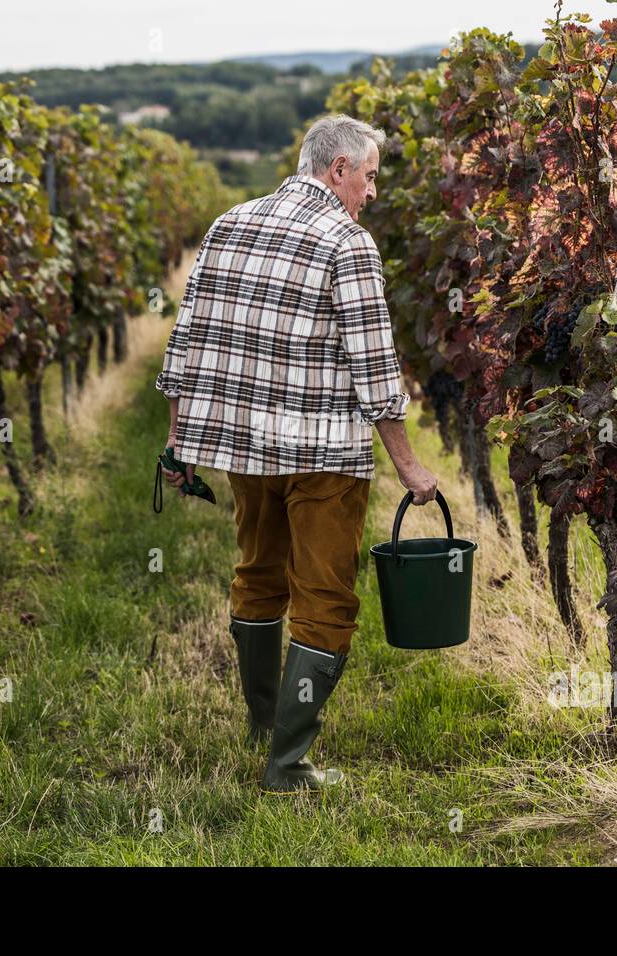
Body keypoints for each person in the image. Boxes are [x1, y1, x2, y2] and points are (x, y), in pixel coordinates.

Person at [155, 114, 438, 791]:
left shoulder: (231, 222)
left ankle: (265, 728)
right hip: (322, 456)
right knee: (325, 599)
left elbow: (186, 340)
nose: (371, 193)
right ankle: (288, 764)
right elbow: (375, 369)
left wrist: (176, 436)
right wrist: (407, 464)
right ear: (337, 168)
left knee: (258, 573)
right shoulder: (348, 241)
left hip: (245, 450)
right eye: (368, 177)